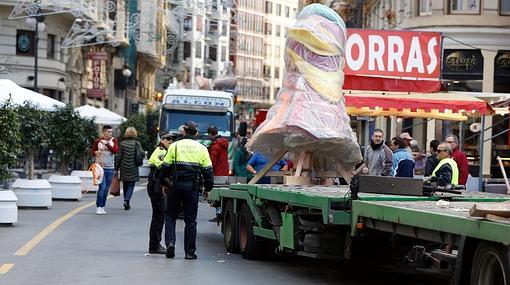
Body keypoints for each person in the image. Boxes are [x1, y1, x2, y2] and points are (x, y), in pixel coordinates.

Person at [159, 121, 214, 260]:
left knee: (170, 216)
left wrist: (164, 183)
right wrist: (208, 188)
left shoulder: (175, 146)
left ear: (184, 131)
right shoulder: (202, 148)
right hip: (192, 187)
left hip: (175, 186)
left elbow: (164, 168)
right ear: (196, 133)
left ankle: (170, 243)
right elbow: (208, 171)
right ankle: (189, 252)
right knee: (191, 220)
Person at [146, 131, 176, 254]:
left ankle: (155, 245)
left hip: (157, 186)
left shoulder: (165, 151)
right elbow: (163, 169)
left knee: (159, 216)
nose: (170, 141)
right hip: (156, 187)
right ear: (162, 140)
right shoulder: (160, 152)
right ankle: (154, 246)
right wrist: (170, 183)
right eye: (167, 139)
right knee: (158, 217)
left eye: (172, 139)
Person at [114, 127, 145, 211]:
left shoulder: (122, 143)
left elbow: (118, 157)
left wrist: (116, 168)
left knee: (125, 184)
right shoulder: (136, 143)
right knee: (131, 185)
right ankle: (127, 200)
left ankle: (125, 200)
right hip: (133, 166)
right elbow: (142, 153)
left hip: (123, 167)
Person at [92, 125, 119, 215]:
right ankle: (98, 206)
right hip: (100, 168)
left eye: (111, 132)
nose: (110, 133)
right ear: (103, 132)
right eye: (108, 132)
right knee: (102, 188)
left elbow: (115, 151)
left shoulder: (113, 141)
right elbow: (92, 151)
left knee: (106, 188)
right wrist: (96, 152)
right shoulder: (98, 141)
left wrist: (107, 144)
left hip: (110, 168)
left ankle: (103, 206)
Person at [207, 125, 229, 223]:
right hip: (224, 172)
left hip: (217, 173)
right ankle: (221, 214)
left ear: (210, 134)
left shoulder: (215, 145)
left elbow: (212, 161)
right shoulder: (223, 143)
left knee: (216, 195)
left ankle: (219, 214)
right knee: (222, 194)